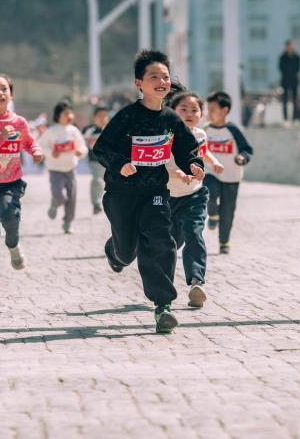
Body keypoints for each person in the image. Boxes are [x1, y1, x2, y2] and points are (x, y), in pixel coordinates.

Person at [93, 49, 204, 334]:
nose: (161, 82)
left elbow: (187, 148)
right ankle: (114, 250)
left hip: (155, 191)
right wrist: (121, 164)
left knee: (160, 241)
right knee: (126, 252)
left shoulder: (171, 119)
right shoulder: (127, 116)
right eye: (154, 77)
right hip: (121, 193)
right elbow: (101, 148)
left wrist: (194, 164)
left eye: (165, 77)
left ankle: (163, 306)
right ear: (139, 83)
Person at [0, 73, 44, 296]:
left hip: (10, 183)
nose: (0, 93)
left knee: (10, 215)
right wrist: (0, 138)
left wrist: (36, 151)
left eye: (4, 89)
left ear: (11, 94)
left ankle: (13, 245)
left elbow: (28, 141)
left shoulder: (19, 122)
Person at [167, 91, 224, 308]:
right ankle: (162, 285)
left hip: (195, 194)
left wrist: (214, 162)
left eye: (194, 110)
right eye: (183, 109)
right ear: (173, 111)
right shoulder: (165, 135)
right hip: (168, 197)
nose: (189, 113)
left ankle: (196, 283)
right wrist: (177, 174)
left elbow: (204, 152)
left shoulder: (200, 134)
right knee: (169, 244)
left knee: (194, 232)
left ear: (201, 114)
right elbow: (158, 164)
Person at [203, 91, 254, 254]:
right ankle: (213, 214)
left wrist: (242, 157)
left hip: (231, 176)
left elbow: (247, 149)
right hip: (210, 172)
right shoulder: (204, 129)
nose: (209, 112)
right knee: (208, 193)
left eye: (213, 109)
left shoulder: (233, 130)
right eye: (208, 109)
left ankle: (224, 242)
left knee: (228, 211)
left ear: (224, 110)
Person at [38, 101, 87, 233]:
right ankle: (55, 204)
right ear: (58, 116)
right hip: (55, 170)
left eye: (71, 113)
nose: (69, 116)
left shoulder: (74, 131)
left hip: (71, 169)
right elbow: (41, 145)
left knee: (71, 197)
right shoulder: (51, 131)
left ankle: (67, 222)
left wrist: (81, 151)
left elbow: (82, 146)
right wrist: (50, 153)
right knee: (59, 196)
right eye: (66, 114)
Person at [82, 106, 109, 215]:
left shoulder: (111, 129)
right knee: (97, 179)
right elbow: (82, 142)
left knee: (106, 181)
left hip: (109, 160)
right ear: (94, 118)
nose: (102, 118)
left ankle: (108, 203)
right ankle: (96, 203)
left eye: (104, 116)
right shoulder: (89, 130)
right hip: (95, 160)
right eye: (100, 116)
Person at [278, 40, 300, 123]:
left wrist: (292, 74)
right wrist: (288, 73)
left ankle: (295, 118)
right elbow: (281, 68)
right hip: (285, 81)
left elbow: (298, 68)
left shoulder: (297, 57)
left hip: (294, 81)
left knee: (295, 100)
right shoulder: (282, 57)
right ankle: (285, 119)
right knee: (284, 100)